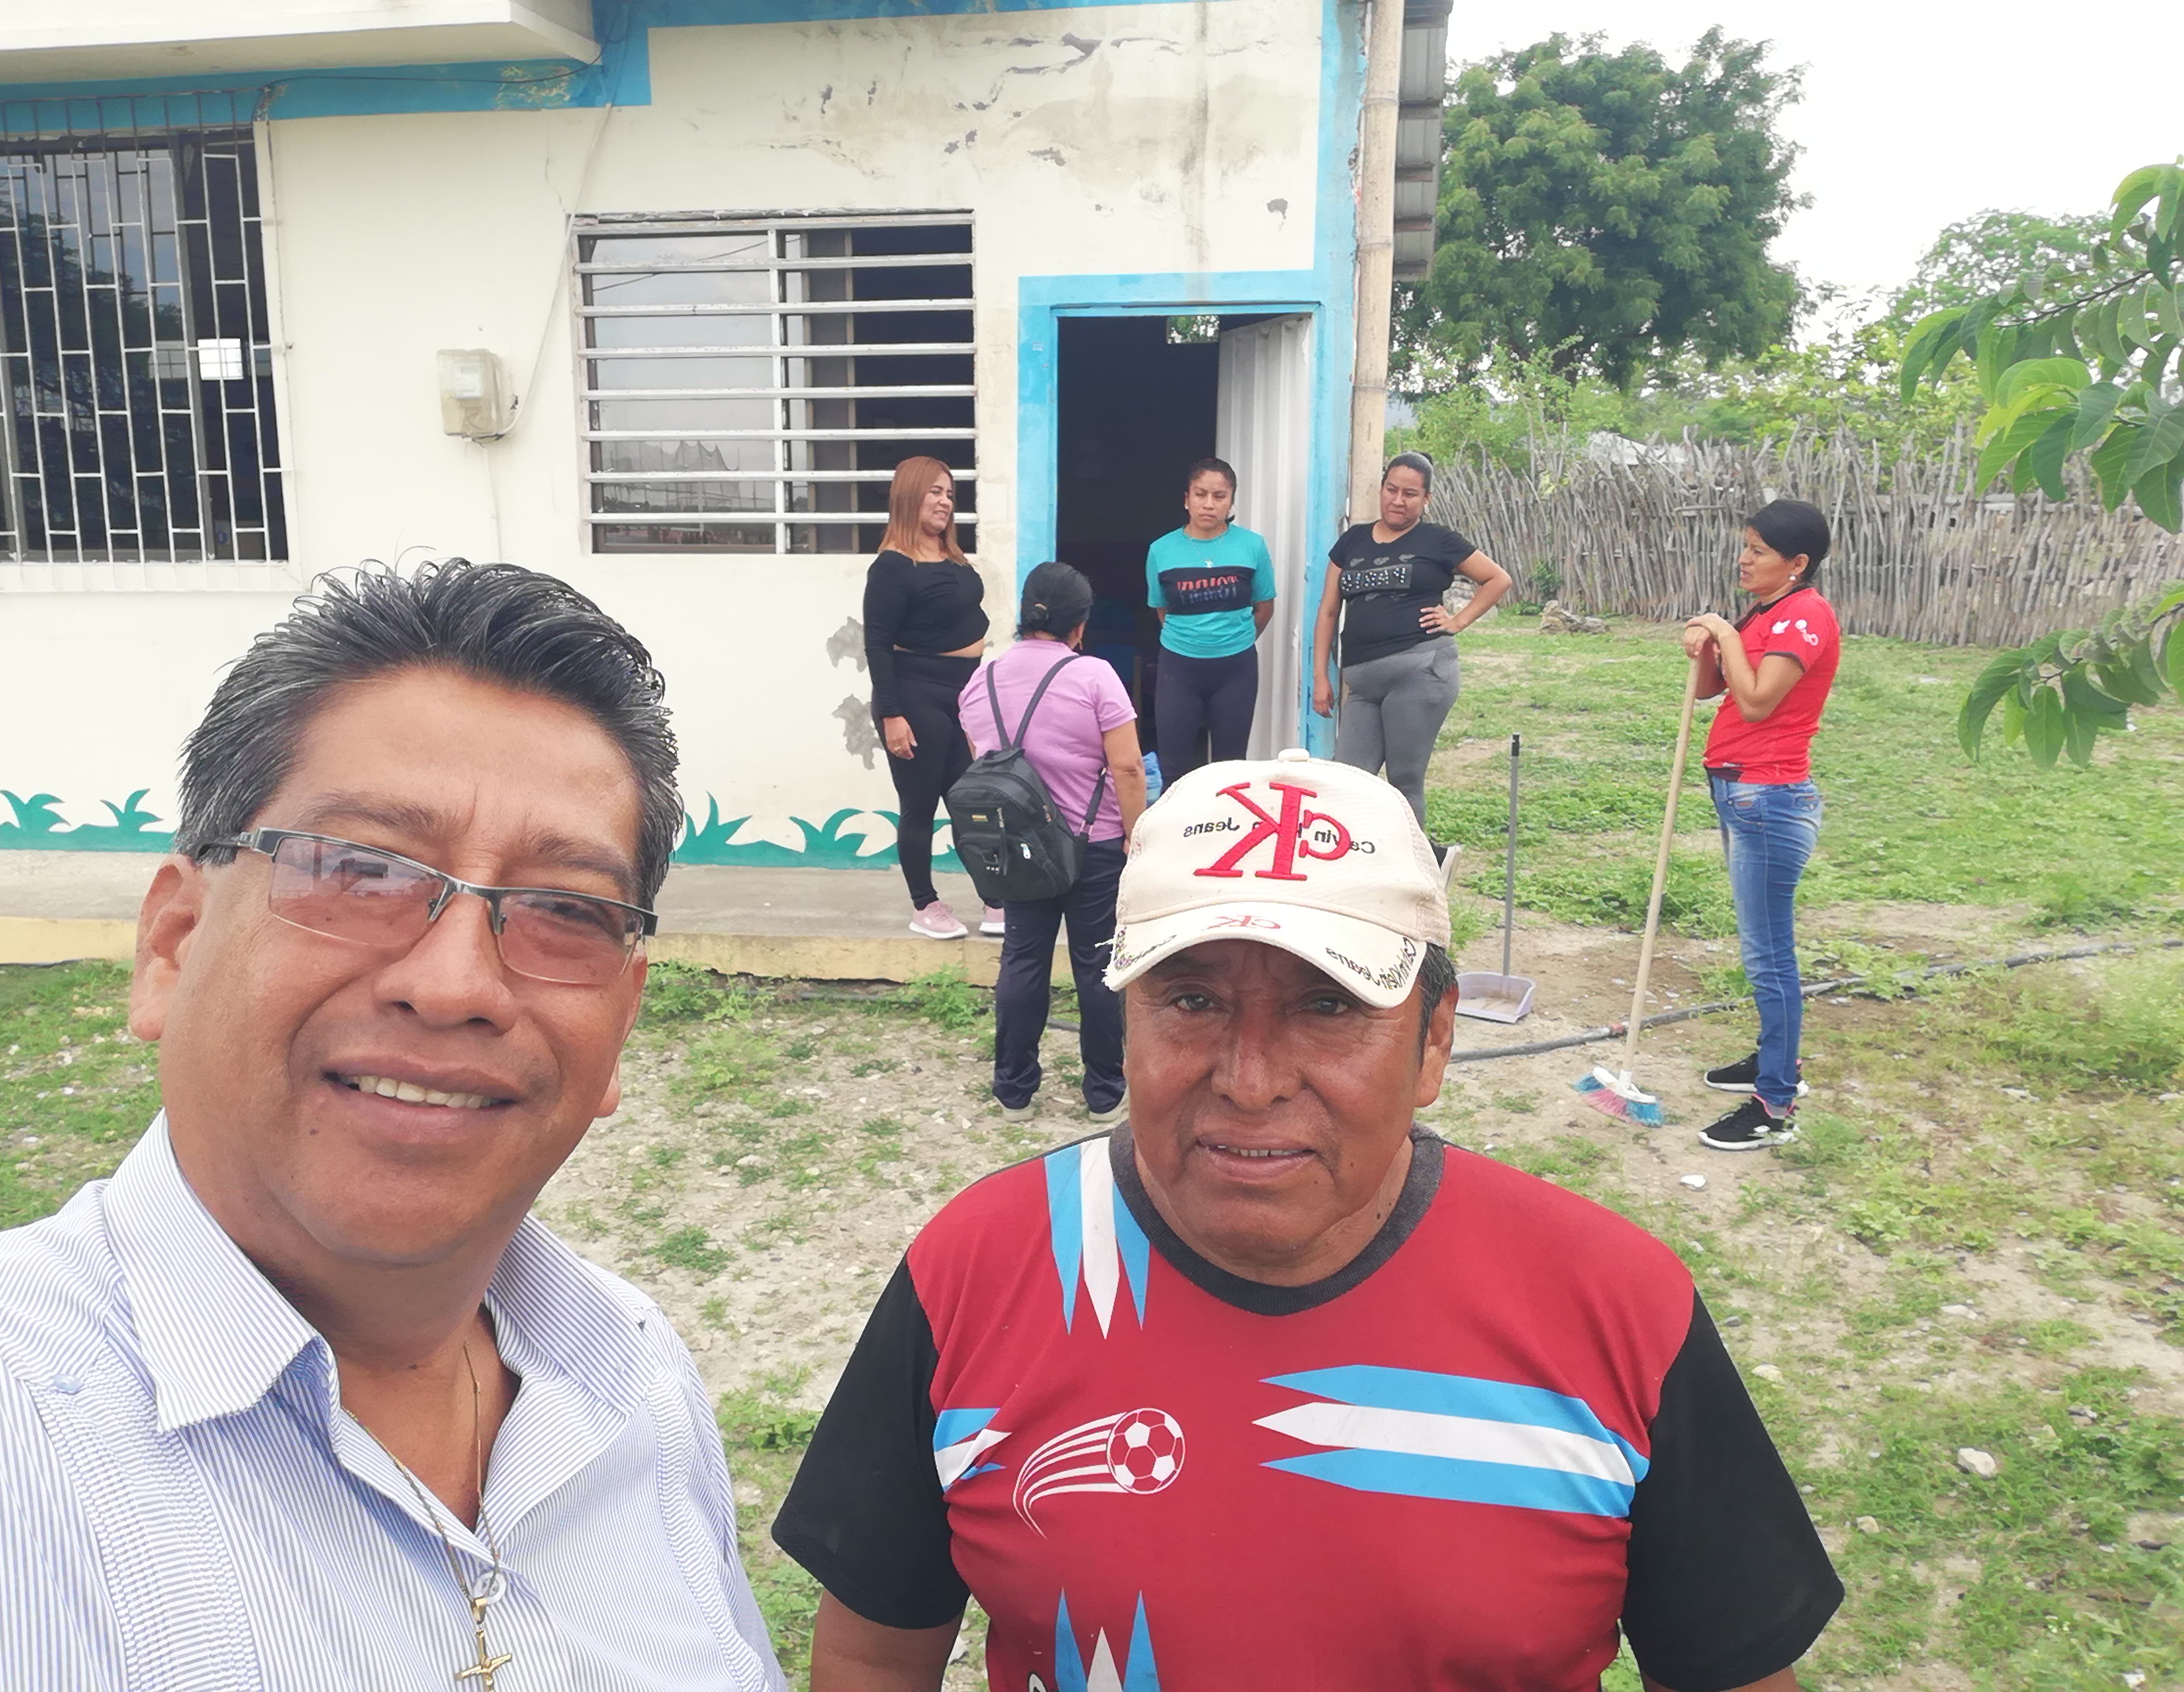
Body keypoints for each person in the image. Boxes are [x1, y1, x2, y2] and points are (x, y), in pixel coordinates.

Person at [772, 749, 1843, 1692]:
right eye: (1190, 1000)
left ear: (1433, 1040)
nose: (1250, 1080)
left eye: (1328, 1005)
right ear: (1121, 1016)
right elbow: (875, 1657)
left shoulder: (1617, 1310)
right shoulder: (975, 1272)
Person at [0, 563, 783, 1691]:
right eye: (361, 869)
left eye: (564, 908)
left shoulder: (634, 1375)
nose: (454, 983)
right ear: (173, 945)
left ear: (620, 1023)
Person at [958, 562, 1149, 1127]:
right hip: (1095, 846)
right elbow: (1128, 767)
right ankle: (1104, 1093)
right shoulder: (1095, 678)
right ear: (1080, 625)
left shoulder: (981, 681)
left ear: (1025, 614)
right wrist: (1137, 836)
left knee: (1022, 960)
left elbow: (986, 763)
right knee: (1096, 965)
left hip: (1019, 850)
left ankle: (1014, 1092)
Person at [1684, 500, 1842, 1153]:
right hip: (1740, 793)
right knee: (1763, 948)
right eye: (1745, 546)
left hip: (1770, 801)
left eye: (1758, 550)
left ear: (1797, 562)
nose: (1744, 559)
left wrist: (1722, 632)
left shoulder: (1806, 617)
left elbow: (1755, 702)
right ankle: (1772, 1059)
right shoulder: (1765, 614)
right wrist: (1707, 646)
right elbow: (1710, 690)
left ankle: (1775, 1101)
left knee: (1769, 954)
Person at [1311, 450, 1513, 879]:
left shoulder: (1437, 541)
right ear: (1382, 489)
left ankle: (1414, 877)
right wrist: (1321, 677)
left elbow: (1497, 579)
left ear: (1426, 499)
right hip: (1362, 682)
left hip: (1420, 671)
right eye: (1391, 490)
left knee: (1404, 779)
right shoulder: (1352, 542)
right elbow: (1328, 611)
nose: (1398, 501)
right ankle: (1359, 869)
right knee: (1348, 779)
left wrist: (1457, 621)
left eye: (1410, 494)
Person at [863, 454, 999, 941]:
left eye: (950, 494)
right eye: (935, 492)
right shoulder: (892, 568)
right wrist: (892, 715)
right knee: (920, 806)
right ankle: (925, 905)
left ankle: (996, 898)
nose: (945, 502)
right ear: (909, 495)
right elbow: (877, 644)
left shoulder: (951, 556)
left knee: (970, 803)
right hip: (915, 694)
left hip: (961, 696)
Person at [1146, 456, 1276, 782]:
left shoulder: (1252, 546)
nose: (1209, 504)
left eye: (1219, 496)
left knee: (1230, 768)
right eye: (1200, 494)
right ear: (1186, 499)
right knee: (1174, 767)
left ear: (1231, 501)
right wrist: (1193, 639)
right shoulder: (1161, 550)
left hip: (1236, 669)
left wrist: (1234, 639)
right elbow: (1162, 610)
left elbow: (1264, 606)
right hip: (1179, 668)